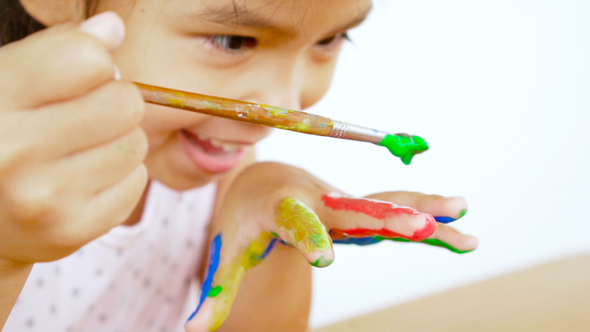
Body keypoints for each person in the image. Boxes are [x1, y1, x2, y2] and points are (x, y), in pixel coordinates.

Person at [0, 0, 478, 331]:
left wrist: (272, 222)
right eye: (232, 40)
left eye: (331, 38)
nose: (285, 104)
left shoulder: (216, 166)